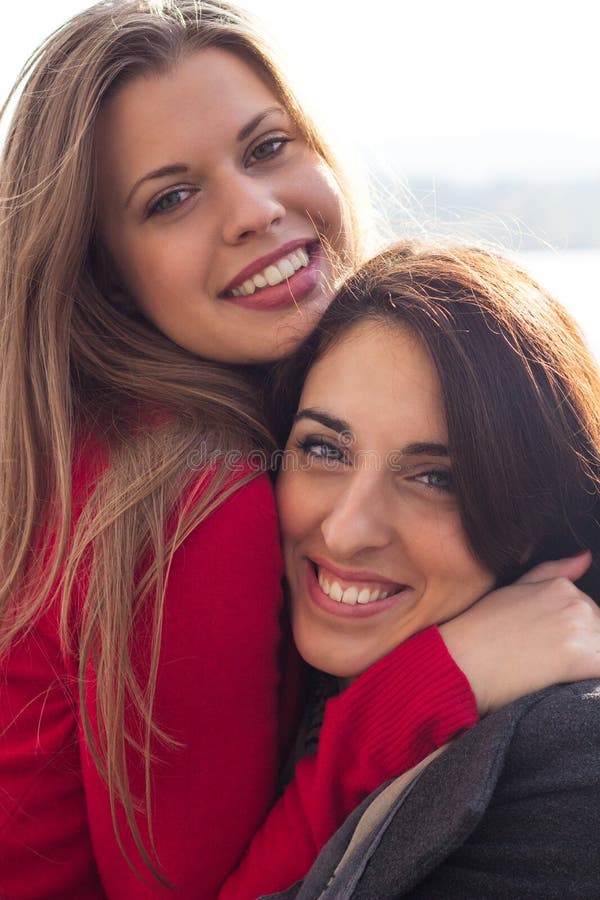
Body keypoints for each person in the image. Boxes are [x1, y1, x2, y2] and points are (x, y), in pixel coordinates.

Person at [1, 1, 599, 897]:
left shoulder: (65, 443)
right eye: (170, 198)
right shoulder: (184, 489)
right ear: (104, 278)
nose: (255, 209)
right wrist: (445, 677)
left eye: (268, 147)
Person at [268, 240, 600, 898]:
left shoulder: (571, 760)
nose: (345, 530)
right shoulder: (273, 686)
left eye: (434, 477)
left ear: (536, 515)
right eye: (325, 449)